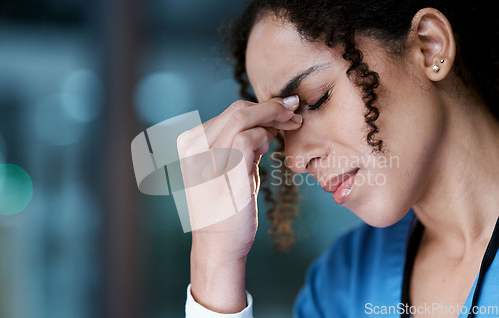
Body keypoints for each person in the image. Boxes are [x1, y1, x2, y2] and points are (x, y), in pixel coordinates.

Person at [179, 0, 499, 317]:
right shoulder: (340, 286)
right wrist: (215, 262)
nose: (295, 160)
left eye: (317, 100)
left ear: (430, 47)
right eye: (281, 130)